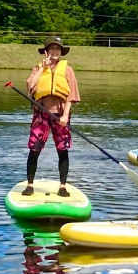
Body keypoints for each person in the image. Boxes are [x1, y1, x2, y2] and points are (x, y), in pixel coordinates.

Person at [24, 37, 80, 197]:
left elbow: (71, 95)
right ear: (46, 52)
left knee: (63, 150)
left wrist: (66, 115)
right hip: (41, 114)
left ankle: (62, 186)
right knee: (34, 149)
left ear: (61, 52)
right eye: (52, 49)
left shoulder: (68, 70)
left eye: (58, 49)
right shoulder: (38, 68)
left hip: (60, 116)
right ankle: (30, 184)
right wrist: (43, 68)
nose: (55, 51)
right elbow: (30, 86)